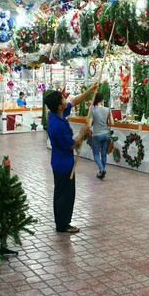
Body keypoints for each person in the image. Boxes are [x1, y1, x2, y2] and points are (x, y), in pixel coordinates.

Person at [44, 82, 99, 233]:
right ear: (59, 106)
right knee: (65, 196)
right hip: (63, 164)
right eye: (63, 99)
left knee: (61, 193)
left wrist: (90, 90)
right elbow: (70, 145)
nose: (65, 99)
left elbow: (74, 102)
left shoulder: (57, 114)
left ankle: (62, 222)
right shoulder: (57, 125)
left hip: (61, 162)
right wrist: (83, 132)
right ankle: (63, 225)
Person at [87, 92, 114, 179]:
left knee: (96, 154)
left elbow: (89, 125)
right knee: (103, 154)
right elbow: (112, 123)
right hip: (106, 134)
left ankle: (102, 170)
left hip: (97, 135)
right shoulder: (108, 110)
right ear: (102, 100)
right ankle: (102, 171)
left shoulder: (93, 111)